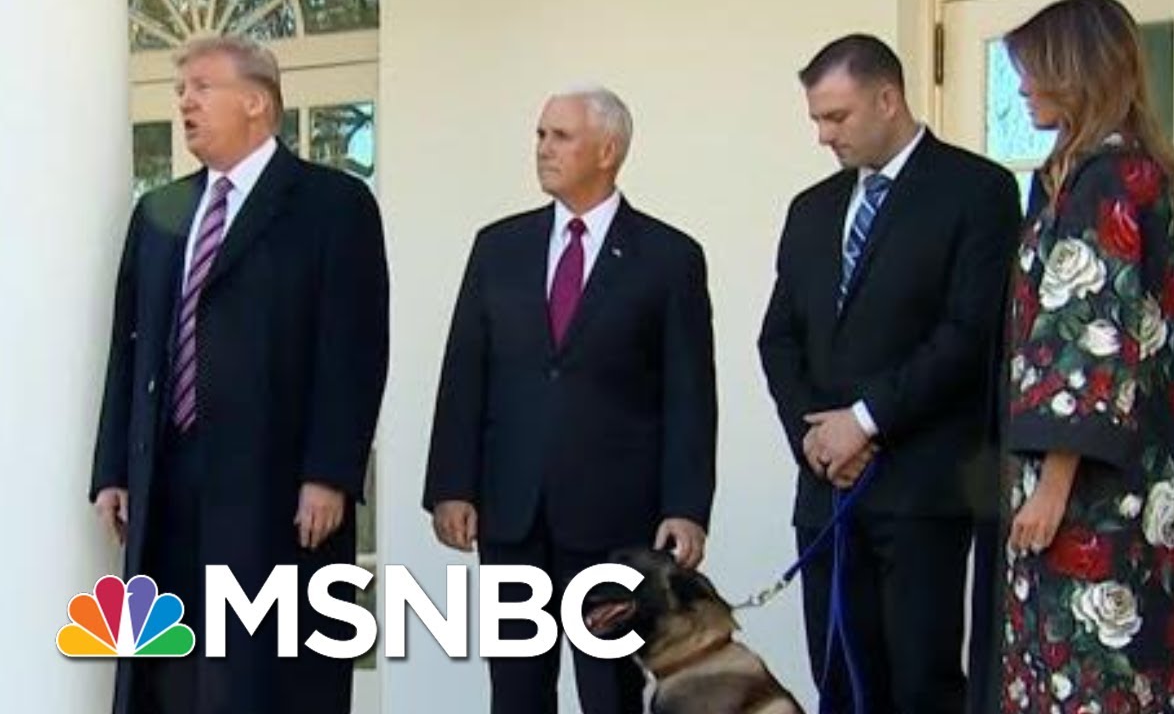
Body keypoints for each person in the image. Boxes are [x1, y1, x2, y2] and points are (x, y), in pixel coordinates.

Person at [89, 35, 389, 714]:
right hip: (168, 482)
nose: (185, 103)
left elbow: (354, 348)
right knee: (170, 679)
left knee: (265, 679)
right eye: (180, 90)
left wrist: (330, 473)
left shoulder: (332, 205)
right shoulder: (160, 213)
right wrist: (113, 468)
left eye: (201, 87)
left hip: (276, 490)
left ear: (256, 101)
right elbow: (130, 346)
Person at [423, 86, 717, 714]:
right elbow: (464, 372)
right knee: (516, 692)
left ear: (607, 151)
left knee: (610, 694)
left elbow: (690, 395)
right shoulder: (498, 248)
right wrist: (452, 485)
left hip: (615, 519)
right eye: (540, 135)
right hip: (512, 513)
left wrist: (686, 507)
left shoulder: (669, 258)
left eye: (560, 136)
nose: (543, 148)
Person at [758, 34, 1021, 713]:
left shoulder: (978, 191)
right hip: (826, 495)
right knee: (838, 684)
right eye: (817, 118)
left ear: (887, 99)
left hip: (922, 490)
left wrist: (865, 421)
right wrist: (817, 439)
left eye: (836, 117)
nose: (823, 135)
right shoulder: (811, 208)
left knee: (920, 688)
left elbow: (967, 334)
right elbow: (778, 338)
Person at [994, 0, 1174, 712]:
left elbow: (1090, 337)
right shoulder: (1077, 175)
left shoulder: (1111, 179)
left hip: (1099, 493)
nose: (1023, 87)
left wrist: (1052, 485)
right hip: (1100, 478)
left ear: (1075, 70)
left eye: (1033, 70)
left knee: (1097, 671)